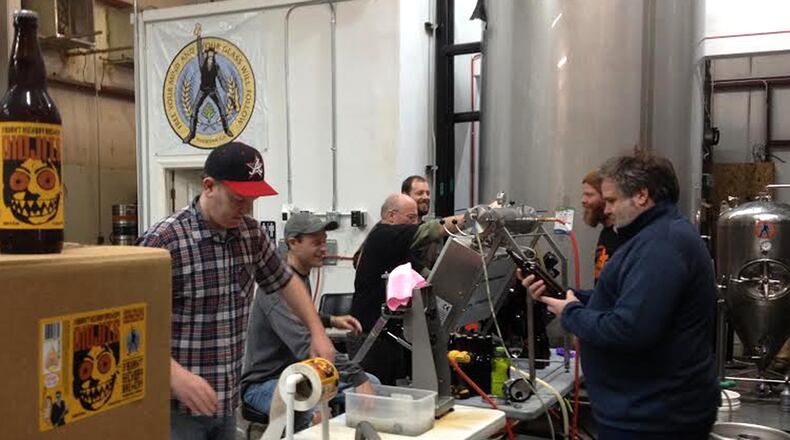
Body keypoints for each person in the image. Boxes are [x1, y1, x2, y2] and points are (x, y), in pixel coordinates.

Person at [138, 142, 334, 440]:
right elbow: (130, 324)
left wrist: (316, 330)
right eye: (238, 200)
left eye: (251, 202)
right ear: (208, 186)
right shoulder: (165, 240)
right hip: (175, 409)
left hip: (226, 403)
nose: (245, 210)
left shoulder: (250, 235)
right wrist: (173, 375)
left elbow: (285, 281)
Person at [521, 152, 719, 439]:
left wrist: (572, 313)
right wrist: (566, 296)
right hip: (644, 410)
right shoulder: (651, 237)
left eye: (612, 200)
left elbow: (630, 330)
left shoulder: (661, 246)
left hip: (655, 419)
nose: (607, 208)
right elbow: (622, 303)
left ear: (641, 195)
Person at [241, 212, 377, 431]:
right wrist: (357, 376)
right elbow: (307, 345)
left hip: (299, 373)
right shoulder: (277, 289)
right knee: (309, 409)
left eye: (324, 241)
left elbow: (301, 319)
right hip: (265, 383)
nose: (324, 248)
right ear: (293, 243)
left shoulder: (300, 276)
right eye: (316, 243)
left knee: (374, 387)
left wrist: (331, 320)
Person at [351, 193, 465, 384]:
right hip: (371, 335)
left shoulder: (397, 246)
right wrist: (471, 218)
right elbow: (430, 230)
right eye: (410, 218)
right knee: (376, 396)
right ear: (391, 216)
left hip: (388, 332)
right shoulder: (383, 235)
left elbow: (425, 275)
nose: (414, 223)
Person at [184, 25, 234, 144]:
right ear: (207, 55)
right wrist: (198, 37)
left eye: (212, 55)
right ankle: (191, 134)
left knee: (222, 109)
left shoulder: (216, 67)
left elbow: (221, 79)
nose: (210, 56)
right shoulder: (202, 64)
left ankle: (227, 130)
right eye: (209, 54)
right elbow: (199, 52)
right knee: (194, 110)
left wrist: (227, 91)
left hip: (213, 90)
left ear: (214, 56)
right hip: (202, 90)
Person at [581, 169, 621, 282]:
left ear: (607, 197)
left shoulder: (621, 236)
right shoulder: (606, 233)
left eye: (589, 195)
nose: (583, 200)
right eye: (583, 194)